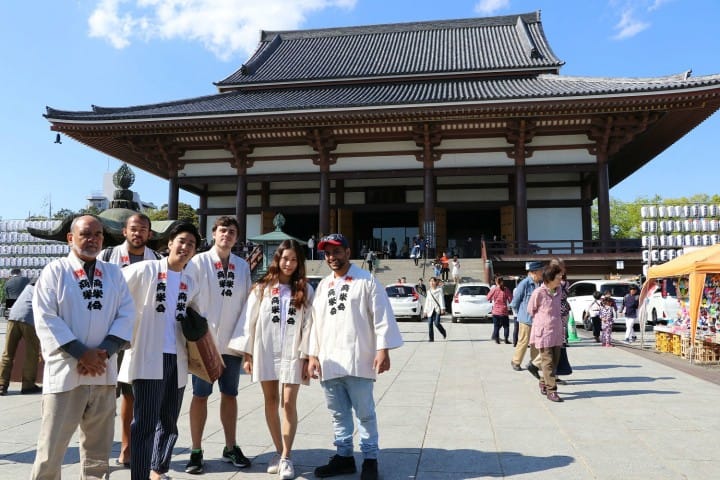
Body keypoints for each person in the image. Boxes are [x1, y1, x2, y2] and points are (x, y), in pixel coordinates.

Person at [30, 215, 135, 480]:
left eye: (98, 234)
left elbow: (127, 314)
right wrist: (81, 353)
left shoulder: (113, 273)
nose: (93, 240)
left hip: (103, 371)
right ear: (70, 238)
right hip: (66, 372)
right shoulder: (55, 271)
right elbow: (45, 316)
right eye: (86, 234)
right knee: (51, 450)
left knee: (98, 453)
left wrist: (104, 352)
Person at [305, 233, 403, 480]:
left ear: (348, 252)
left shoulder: (366, 280)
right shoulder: (324, 285)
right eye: (327, 253)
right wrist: (313, 355)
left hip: (358, 357)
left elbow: (381, 316)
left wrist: (383, 349)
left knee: (365, 412)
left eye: (337, 251)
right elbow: (315, 324)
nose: (332, 257)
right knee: (338, 413)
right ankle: (344, 456)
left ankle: (370, 459)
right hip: (329, 359)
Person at [119, 222, 202, 480]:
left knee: (169, 420)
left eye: (191, 244)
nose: (186, 247)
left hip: (177, 357)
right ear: (169, 243)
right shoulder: (145, 270)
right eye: (181, 241)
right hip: (148, 354)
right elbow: (117, 291)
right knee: (144, 421)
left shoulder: (191, 281)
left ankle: (158, 468)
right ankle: (140, 475)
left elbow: (198, 318)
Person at [229, 239, 313, 479]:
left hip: (293, 354)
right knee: (270, 400)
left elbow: (310, 325)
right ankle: (278, 450)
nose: (289, 263)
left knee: (288, 403)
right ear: (278, 259)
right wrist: (247, 354)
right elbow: (249, 321)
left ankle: (286, 456)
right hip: (266, 351)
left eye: (294, 259)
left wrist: (307, 356)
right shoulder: (263, 287)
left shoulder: (305, 289)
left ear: (299, 263)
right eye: (285, 258)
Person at [185, 216, 253, 474]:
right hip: (205, 342)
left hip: (233, 342)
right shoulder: (199, 262)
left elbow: (248, 304)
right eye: (223, 230)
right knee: (200, 395)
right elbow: (188, 300)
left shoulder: (242, 266)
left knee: (230, 394)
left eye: (232, 232)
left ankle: (230, 446)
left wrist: (246, 342)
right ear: (213, 234)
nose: (227, 235)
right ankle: (196, 449)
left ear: (236, 238)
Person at [99, 212, 161, 468]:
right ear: (124, 231)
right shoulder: (108, 256)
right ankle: (98, 448)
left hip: (139, 334)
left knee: (130, 394)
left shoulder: (156, 259)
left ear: (150, 234)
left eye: (143, 229)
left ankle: (127, 446)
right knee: (102, 395)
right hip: (109, 332)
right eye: (134, 229)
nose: (138, 233)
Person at [527, 262, 565, 402]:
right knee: (547, 361)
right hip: (543, 332)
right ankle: (552, 390)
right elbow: (530, 309)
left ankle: (543, 382)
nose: (561, 278)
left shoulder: (559, 290)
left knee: (554, 362)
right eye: (558, 276)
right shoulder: (539, 293)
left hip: (556, 331)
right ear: (549, 278)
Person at [0, 283, 41, 395]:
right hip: (29, 319)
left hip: (13, 316)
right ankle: (28, 385)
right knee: (31, 354)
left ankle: (2, 384)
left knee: (8, 352)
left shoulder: (27, 288)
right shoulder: (44, 288)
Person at [509, 261, 543, 371]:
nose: (542, 272)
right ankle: (516, 361)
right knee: (523, 341)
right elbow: (515, 302)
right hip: (526, 319)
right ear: (534, 272)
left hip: (537, 319)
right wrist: (521, 314)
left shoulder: (540, 284)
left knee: (535, 342)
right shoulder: (525, 283)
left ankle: (534, 363)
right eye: (540, 271)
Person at [487, 276, 513, 344]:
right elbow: (511, 299)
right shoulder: (506, 289)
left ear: (496, 282)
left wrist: (493, 298)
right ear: (502, 282)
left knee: (496, 326)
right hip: (504, 311)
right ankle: (506, 339)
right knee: (506, 326)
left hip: (495, 311)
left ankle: (497, 340)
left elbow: (488, 298)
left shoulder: (494, 289)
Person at [423, 277, 447, 342]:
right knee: (430, 323)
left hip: (437, 309)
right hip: (430, 309)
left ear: (436, 282)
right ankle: (431, 338)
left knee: (436, 323)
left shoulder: (439, 290)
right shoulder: (428, 291)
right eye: (430, 281)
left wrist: (442, 308)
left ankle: (443, 331)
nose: (432, 282)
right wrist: (425, 311)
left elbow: (441, 299)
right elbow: (427, 301)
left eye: (433, 281)